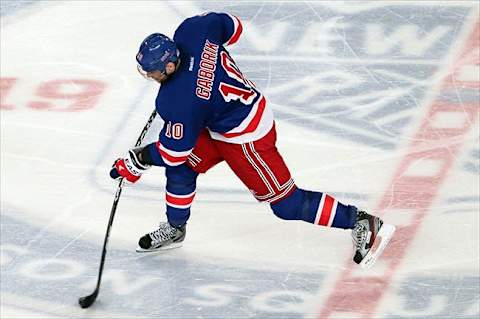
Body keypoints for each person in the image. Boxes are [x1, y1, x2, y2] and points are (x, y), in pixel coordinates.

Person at [110, 12, 395, 268]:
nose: (150, 75)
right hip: (222, 118)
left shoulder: (178, 101)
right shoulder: (193, 29)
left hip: (245, 136)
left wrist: (139, 159)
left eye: (154, 72)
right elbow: (234, 27)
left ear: (170, 66)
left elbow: (173, 152)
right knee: (183, 169)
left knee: (286, 204)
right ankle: (175, 227)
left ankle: (361, 220)